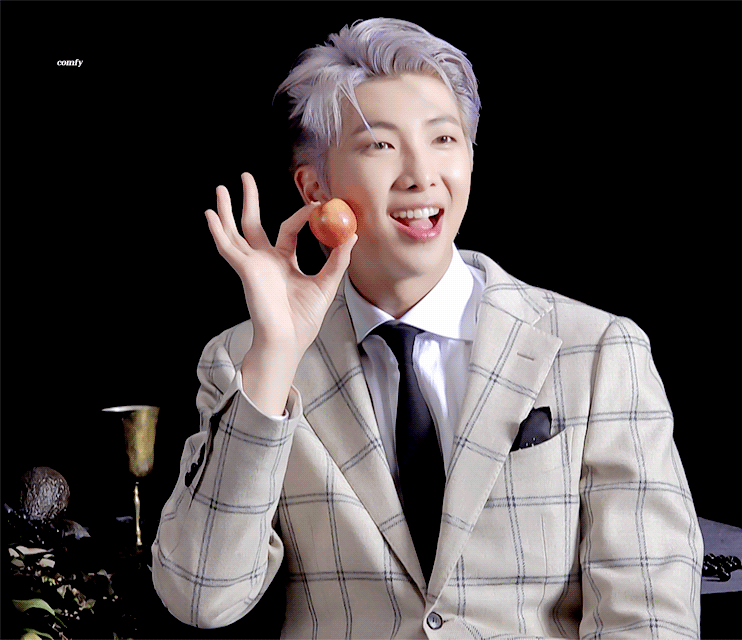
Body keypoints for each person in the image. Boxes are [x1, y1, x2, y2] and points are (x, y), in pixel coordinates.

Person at [152, 17, 703, 639]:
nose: (421, 174)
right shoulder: (244, 362)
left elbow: (649, 613)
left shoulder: (597, 351)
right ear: (314, 186)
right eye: (380, 145)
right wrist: (276, 356)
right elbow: (200, 596)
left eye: (444, 138)